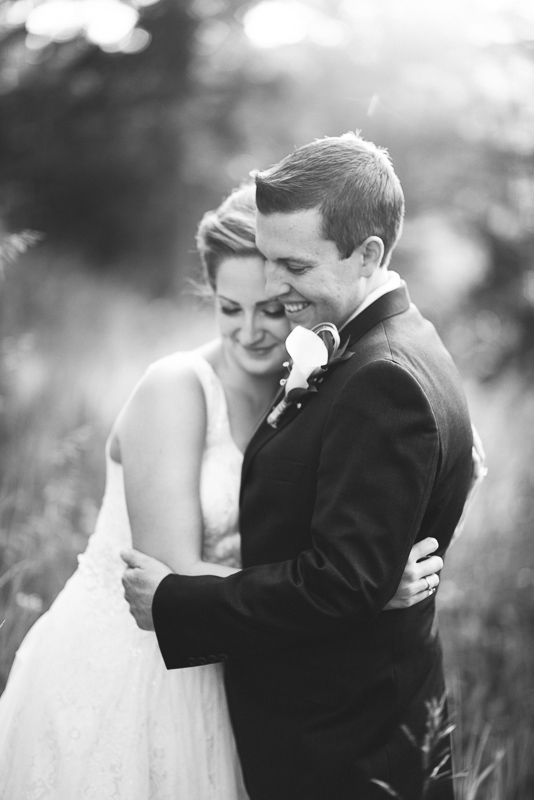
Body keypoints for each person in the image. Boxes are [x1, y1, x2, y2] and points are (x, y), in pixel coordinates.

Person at [0, 183, 441, 799]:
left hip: (238, 662)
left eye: (269, 308)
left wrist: (370, 568)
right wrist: (359, 595)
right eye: (228, 308)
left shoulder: (308, 389)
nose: (252, 331)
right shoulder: (175, 389)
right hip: (136, 666)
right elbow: (172, 576)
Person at [123, 135, 476, 800]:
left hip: (341, 749)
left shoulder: (382, 378)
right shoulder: (394, 342)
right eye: (266, 260)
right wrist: (371, 577)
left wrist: (175, 601)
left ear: (368, 254)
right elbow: (357, 559)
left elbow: (341, 582)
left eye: (293, 266)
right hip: (334, 727)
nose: (276, 289)